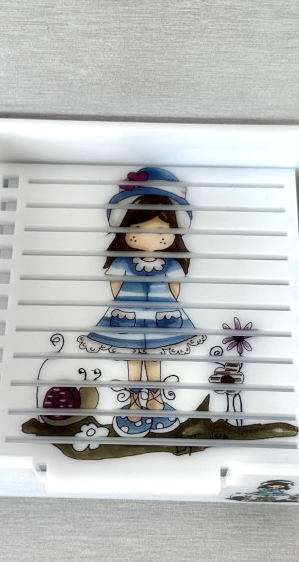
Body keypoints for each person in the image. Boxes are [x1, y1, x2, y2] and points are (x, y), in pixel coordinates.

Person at [78, 167, 205, 435]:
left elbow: (174, 290)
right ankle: (135, 403)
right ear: (125, 229)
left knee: (154, 361)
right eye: (137, 229)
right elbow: (116, 287)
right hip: (128, 319)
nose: (149, 237)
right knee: (133, 362)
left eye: (160, 230)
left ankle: (155, 402)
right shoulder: (123, 261)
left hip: (162, 320)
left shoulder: (171, 264)